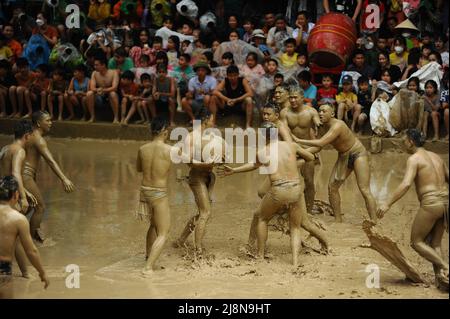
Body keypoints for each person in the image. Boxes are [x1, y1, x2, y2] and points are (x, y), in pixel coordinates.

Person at [218, 121, 315, 266]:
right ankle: (295, 262)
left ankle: (260, 255)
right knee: (295, 227)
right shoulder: (291, 145)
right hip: (296, 189)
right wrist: (295, 163)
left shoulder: (262, 152)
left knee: (262, 218)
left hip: (279, 190)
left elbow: (253, 166)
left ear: (263, 136)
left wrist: (234, 170)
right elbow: (311, 157)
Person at [377, 129, 449, 288]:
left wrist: (387, 203)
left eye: (404, 140)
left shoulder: (414, 159)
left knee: (416, 242)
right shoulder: (436, 157)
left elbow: (406, 184)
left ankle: (446, 267)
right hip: (446, 202)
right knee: (435, 243)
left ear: (411, 141)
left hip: (431, 203)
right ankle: (442, 280)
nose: (403, 143)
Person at [298, 104, 378, 222]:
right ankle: (338, 220)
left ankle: (374, 221)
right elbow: (318, 147)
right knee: (332, 187)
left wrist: (297, 141)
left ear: (332, 114)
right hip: (343, 156)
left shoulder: (338, 125)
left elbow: (320, 143)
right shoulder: (321, 127)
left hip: (357, 153)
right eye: (319, 111)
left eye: (324, 111)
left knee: (364, 190)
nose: (320, 113)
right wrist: (299, 153)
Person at [174, 110, 227, 256]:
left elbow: (221, 159)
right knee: (206, 212)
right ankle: (198, 251)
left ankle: (180, 240)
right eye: (212, 119)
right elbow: (188, 162)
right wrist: (206, 165)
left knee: (202, 212)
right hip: (196, 178)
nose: (214, 122)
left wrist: (222, 160)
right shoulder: (191, 137)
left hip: (210, 177)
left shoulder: (213, 137)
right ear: (206, 120)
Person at [23, 111, 75, 242]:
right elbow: (50, 161)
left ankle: (20, 232)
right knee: (40, 207)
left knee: (28, 206)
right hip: (26, 176)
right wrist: (64, 179)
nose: (51, 123)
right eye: (48, 120)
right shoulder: (39, 139)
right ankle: (29, 240)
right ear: (39, 123)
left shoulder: (28, 135)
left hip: (24, 175)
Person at [0, 176, 49, 297]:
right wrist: (42, 273)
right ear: (16, 195)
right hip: (2, 269)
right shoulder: (18, 219)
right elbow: (31, 251)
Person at [136, 117, 173, 277]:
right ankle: (148, 268)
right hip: (159, 192)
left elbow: (139, 169)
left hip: (144, 191)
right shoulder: (170, 150)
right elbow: (191, 162)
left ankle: (147, 257)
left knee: (152, 225)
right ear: (165, 131)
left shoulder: (142, 149)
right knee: (164, 232)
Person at [280, 86, 320, 215]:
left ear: (302, 98)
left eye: (295, 97)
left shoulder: (311, 112)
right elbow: (285, 131)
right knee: (286, 181)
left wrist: (320, 126)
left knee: (309, 181)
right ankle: (286, 208)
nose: (292, 100)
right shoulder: (284, 112)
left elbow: (319, 124)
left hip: (307, 150)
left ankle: (308, 210)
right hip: (291, 149)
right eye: (290, 97)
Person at [86, 56, 120, 123]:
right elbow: (92, 87)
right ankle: (92, 117)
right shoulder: (94, 73)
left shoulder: (113, 72)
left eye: (97, 65)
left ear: (103, 65)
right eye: (94, 65)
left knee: (112, 93)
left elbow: (114, 87)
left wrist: (103, 90)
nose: (95, 67)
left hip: (110, 93)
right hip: (99, 94)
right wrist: (98, 90)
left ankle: (116, 117)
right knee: (89, 93)